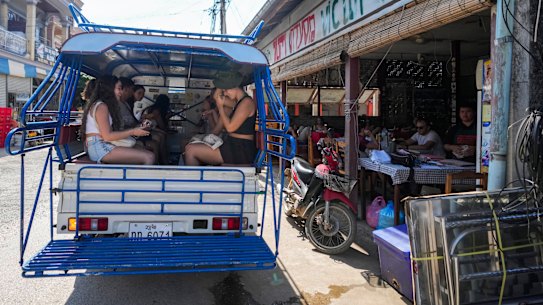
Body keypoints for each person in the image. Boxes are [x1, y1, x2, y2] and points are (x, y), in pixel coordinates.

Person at [184, 71, 256, 165]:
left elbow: (230, 127)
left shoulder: (247, 102)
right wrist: (221, 82)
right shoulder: (238, 102)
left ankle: (193, 179)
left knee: (191, 150)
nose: (225, 93)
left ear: (234, 87)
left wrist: (220, 107)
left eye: (226, 90)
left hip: (240, 149)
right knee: (190, 147)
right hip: (232, 145)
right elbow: (216, 96)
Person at [81, 75, 154, 164]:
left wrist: (137, 129)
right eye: (119, 88)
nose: (120, 92)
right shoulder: (101, 106)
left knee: (144, 151)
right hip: (99, 147)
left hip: (102, 144)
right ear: (109, 89)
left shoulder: (104, 105)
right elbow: (107, 136)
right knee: (149, 157)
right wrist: (133, 131)